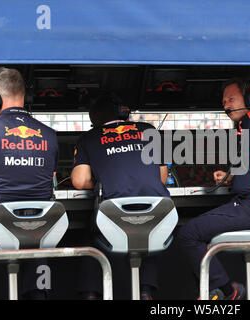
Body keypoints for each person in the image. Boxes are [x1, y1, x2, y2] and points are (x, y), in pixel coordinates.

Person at [176, 77, 250, 300]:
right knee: (192, 233)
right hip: (246, 204)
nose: (226, 105)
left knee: (188, 234)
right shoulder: (244, 125)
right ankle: (212, 292)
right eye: (224, 102)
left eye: (231, 99)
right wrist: (230, 177)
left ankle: (227, 291)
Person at [0, 67, 59, 299]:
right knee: (38, 240)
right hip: (38, 228)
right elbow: (50, 178)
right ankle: (39, 295)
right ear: (26, 97)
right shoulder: (49, 134)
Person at [71, 93, 170, 300]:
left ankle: (91, 294)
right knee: (150, 233)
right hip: (158, 214)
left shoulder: (89, 138)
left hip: (113, 219)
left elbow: (80, 181)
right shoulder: (149, 130)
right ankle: (145, 291)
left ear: (94, 119)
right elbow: (162, 177)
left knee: (90, 234)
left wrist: (101, 181)